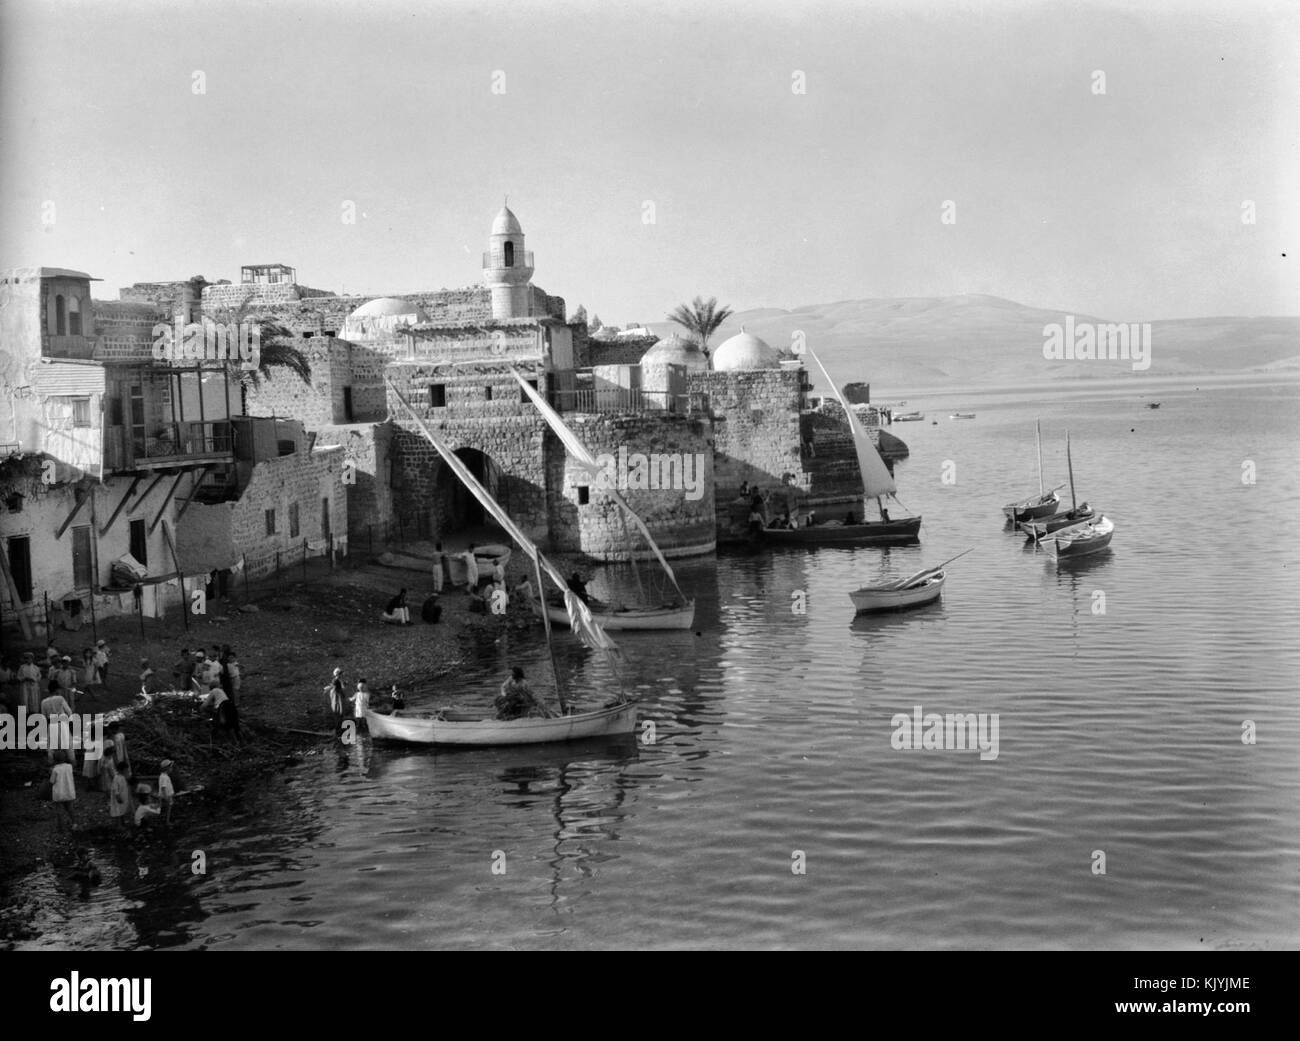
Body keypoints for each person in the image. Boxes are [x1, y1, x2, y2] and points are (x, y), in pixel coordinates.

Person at [40, 685, 74, 763]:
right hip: (62, 723)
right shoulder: (60, 698)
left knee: (51, 746)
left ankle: (50, 762)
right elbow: (69, 712)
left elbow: (43, 717)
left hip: (52, 724)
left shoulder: (44, 702)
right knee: (68, 744)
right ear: (56, 690)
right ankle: (72, 762)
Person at [50, 749, 77, 832]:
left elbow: (52, 781)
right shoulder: (69, 767)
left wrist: (50, 772)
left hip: (59, 794)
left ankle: (61, 827)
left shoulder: (55, 769)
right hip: (69, 792)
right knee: (70, 808)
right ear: (65, 758)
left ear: (54, 759)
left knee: (59, 811)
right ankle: (74, 823)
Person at [108, 765, 133, 829]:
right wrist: (117, 796)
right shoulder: (116, 778)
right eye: (125, 770)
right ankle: (119, 825)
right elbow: (115, 788)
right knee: (118, 811)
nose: (127, 771)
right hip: (118, 797)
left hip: (123, 796)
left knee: (122, 810)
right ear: (121, 770)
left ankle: (123, 822)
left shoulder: (124, 777)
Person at [157, 760, 175, 824]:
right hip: (166, 796)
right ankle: (167, 822)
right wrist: (166, 797)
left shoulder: (163, 776)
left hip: (165, 796)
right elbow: (163, 788)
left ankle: (165, 820)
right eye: (171, 767)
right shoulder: (164, 777)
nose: (172, 769)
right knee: (167, 810)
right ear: (167, 768)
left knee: (165, 809)